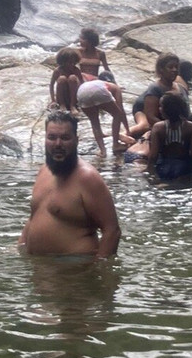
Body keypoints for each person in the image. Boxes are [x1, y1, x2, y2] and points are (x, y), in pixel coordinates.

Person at [19, 110, 122, 258]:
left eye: (65, 138)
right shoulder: (44, 171)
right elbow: (34, 216)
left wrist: (101, 271)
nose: (58, 144)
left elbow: (112, 230)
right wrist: (20, 246)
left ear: (76, 140)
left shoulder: (88, 178)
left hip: (75, 270)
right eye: (52, 137)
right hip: (40, 267)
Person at [146, 93, 192, 181]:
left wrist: (150, 172)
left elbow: (153, 155)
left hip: (164, 168)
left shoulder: (158, 127)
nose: (159, 109)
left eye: (161, 106)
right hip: (183, 169)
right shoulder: (190, 127)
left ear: (167, 110)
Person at [129, 52, 183, 141]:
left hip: (164, 115)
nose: (174, 70)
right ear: (161, 69)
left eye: (176, 67)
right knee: (144, 126)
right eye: (170, 67)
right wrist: (170, 129)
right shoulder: (154, 89)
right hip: (142, 110)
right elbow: (151, 117)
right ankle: (122, 135)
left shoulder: (180, 87)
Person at [76, 75, 132, 156]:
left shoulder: (97, 82)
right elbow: (121, 111)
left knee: (94, 122)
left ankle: (103, 151)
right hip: (98, 91)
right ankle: (115, 144)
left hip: (81, 92)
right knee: (117, 114)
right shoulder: (115, 87)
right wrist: (128, 130)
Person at [49, 48, 83, 113]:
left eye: (73, 62)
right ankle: (62, 105)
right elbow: (51, 85)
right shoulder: (58, 71)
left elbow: (82, 83)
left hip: (73, 96)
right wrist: (53, 100)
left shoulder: (76, 70)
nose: (71, 64)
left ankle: (72, 105)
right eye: (69, 62)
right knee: (62, 78)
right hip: (62, 95)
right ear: (63, 61)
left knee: (72, 77)